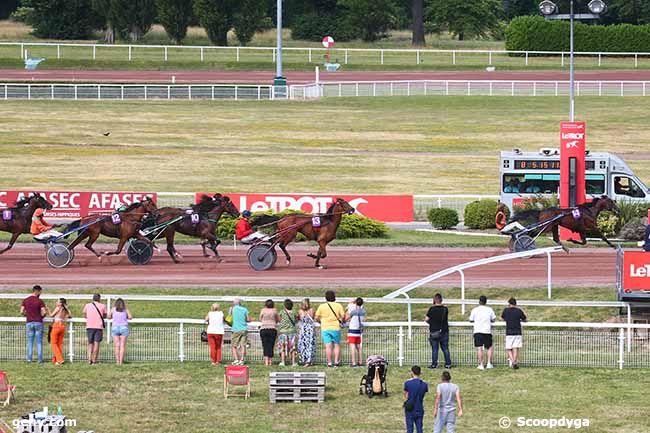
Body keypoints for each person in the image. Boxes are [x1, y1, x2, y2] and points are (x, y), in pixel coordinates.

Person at [315, 290, 345, 367]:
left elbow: (316, 317)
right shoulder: (338, 305)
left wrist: (321, 322)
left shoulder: (322, 306)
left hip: (325, 327)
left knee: (328, 346)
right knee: (336, 345)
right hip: (335, 327)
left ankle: (329, 362)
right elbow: (343, 316)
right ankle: (336, 362)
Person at [21, 285, 48, 363]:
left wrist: (27, 315)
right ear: (38, 291)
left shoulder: (25, 300)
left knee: (30, 342)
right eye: (40, 292)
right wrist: (41, 317)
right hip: (38, 322)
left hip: (29, 322)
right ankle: (39, 359)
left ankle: (29, 359)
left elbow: (21, 311)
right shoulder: (39, 301)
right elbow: (44, 312)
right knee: (39, 342)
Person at [469, 295, 496, 370]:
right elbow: (493, 319)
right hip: (487, 331)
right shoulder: (489, 309)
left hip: (478, 331)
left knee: (479, 348)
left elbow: (471, 319)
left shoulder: (475, 310)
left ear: (479, 301)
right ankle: (489, 363)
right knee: (489, 347)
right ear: (486, 302)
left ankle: (481, 364)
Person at [425, 293, 451, 369]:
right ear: (441, 300)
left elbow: (426, 319)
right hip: (444, 331)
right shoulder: (445, 309)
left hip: (434, 331)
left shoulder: (432, 309)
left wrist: (431, 323)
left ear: (434, 300)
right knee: (445, 348)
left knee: (435, 349)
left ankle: (434, 364)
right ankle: (448, 364)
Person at [501, 297, 527, 369]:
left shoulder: (506, 310)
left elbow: (502, 318)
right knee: (515, 348)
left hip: (509, 332)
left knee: (509, 348)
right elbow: (524, 318)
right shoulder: (518, 310)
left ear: (509, 304)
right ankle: (515, 362)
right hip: (518, 332)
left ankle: (513, 362)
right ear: (515, 304)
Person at [403, 365, 428, 433]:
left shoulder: (407, 383)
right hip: (419, 408)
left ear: (412, 372)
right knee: (419, 428)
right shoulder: (424, 384)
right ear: (420, 373)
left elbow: (406, 395)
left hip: (410, 408)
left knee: (410, 429)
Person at [83, 294, 107, 365]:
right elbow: (104, 315)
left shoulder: (87, 305)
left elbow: (84, 314)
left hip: (89, 326)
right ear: (99, 299)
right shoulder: (103, 306)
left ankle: (89, 359)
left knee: (90, 343)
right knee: (97, 344)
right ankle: (94, 360)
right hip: (98, 327)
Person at [108, 298, 132, 365]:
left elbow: (109, 317)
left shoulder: (113, 309)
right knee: (122, 346)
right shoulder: (125, 309)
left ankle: (117, 362)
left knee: (116, 346)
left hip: (115, 327)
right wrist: (125, 317)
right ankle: (121, 362)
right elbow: (130, 317)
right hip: (124, 327)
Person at [49, 298, 71, 365]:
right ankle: (56, 360)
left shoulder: (58, 308)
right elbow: (70, 315)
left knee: (53, 343)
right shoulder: (65, 310)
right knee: (59, 344)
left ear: (60, 303)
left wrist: (48, 310)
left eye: (57, 301)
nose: (56, 302)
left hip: (56, 326)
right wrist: (67, 309)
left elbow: (51, 315)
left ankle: (60, 359)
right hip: (62, 326)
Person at [277, 299, 298, 367]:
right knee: (293, 348)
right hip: (292, 332)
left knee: (282, 348)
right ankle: (293, 362)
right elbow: (296, 320)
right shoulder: (294, 312)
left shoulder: (282, 312)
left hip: (283, 332)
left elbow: (279, 320)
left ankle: (283, 362)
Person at [345, 297, 366, 367]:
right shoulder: (363, 311)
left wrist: (351, 303)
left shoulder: (354, 311)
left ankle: (353, 362)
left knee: (352, 346)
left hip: (352, 330)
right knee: (359, 347)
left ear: (356, 303)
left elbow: (346, 318)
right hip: (358, 330)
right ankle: (360, 361)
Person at [229, 298, 251, 365]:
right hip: (244, 329)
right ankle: (242, 360)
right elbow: (248, 319)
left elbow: (229, 318)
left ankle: (236, 359)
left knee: (234, 346)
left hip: (235, 329)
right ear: (240, 303)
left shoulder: (232, 309)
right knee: (243, 345)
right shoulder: (245, 309)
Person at [259, 299, 280, 366]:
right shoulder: (274, 310)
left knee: (265, 345)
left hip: (264, 328)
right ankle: (270, 361)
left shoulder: (263, 310)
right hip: (272, 328)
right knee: (271, 345)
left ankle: (266, 361)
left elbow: (260, 318)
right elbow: (278, 319)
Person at [297, 298, 316, 367]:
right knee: (310, 345)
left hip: (303, 329)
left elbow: (298, 319)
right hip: (310, 329)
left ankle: (304, 360)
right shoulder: (312, 310)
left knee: (303, 345)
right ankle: (310, 360)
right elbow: (314, 317)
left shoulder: (300, 311)